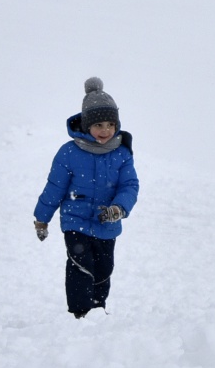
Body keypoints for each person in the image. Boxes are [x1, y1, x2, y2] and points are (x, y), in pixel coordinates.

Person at [32, 78, 140, 318]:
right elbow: (55, 187)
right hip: (76, 221)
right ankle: (81, 313)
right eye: (99, 124)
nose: (105, 130)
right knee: (81, 266)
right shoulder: (69, 152)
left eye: (110, 124)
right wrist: (42, 218)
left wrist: (118, 208)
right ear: (87, 124)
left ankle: (98, 311)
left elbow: (129, 185)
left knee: (103, 268)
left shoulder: (121, 153)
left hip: (107, 222)